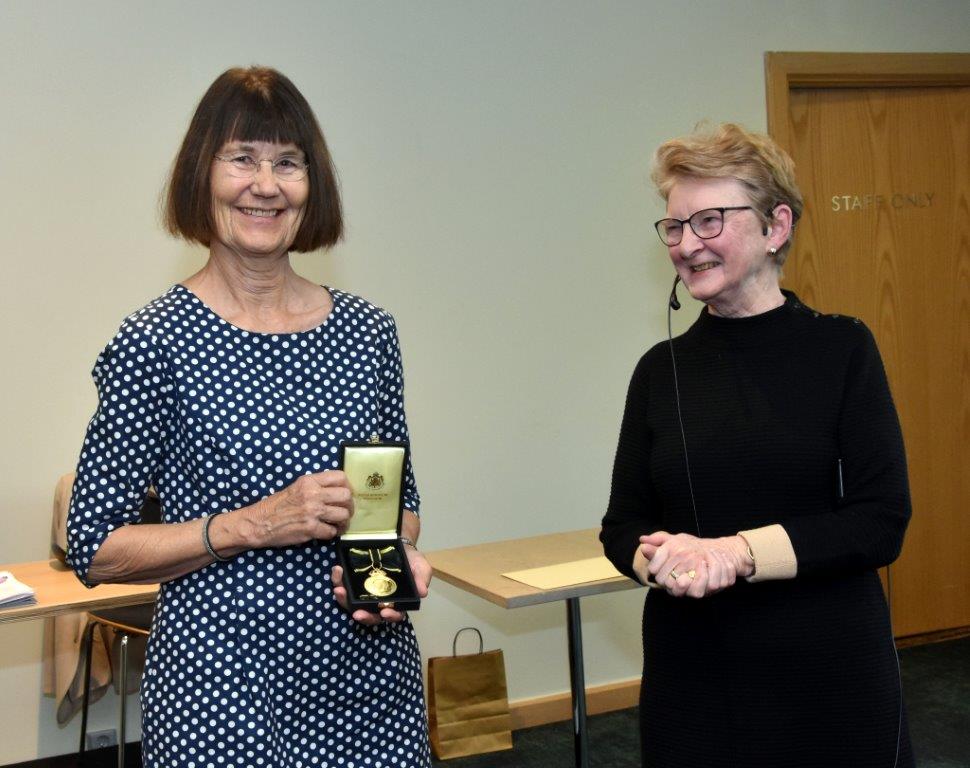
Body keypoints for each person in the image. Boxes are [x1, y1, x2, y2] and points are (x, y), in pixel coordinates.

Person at [67, 66, 432, 767]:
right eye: (241, 159)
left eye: (287, 163)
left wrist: (394, 560)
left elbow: (398, 505)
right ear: (201, 177)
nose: (265, 185)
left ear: (310, 186)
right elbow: (94, 545)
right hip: (222, 697)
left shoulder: (367, 332)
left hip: (368, 684)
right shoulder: (155, 341)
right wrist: (255, 524)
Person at [600, 123, 913, 768]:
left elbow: (880, 523)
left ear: (776, 226)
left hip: (826, 671)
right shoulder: (659, 371)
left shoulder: (842, 349)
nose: (687, 245)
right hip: (694, 675)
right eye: (674, 227)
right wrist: (660, 560)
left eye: (709, 221)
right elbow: (621, 525)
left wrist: (738, 553)